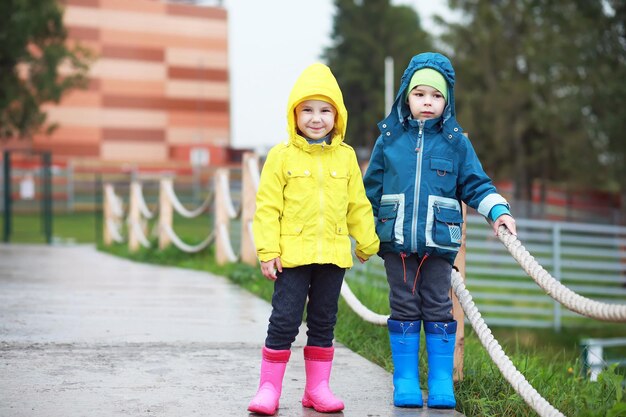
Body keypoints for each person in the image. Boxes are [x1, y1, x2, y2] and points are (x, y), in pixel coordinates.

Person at [363, 52, 517, 409]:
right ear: (406, 96)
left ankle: (440, 381)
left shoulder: (457, 143)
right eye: (420, 94)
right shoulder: (389, 140)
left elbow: (477, 185)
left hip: (439, 245)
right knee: (402, 305)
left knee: (437, 307)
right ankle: (405, 380)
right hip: (396, 241)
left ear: (447, 100)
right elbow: (370, 192)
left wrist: (498, 211)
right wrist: (364, 229)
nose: (427, 102)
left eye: (436, 95)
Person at [247, 62, 380, 415]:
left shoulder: (347, 157)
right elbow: (267, 207)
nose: (316, 118)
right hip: (291, 257)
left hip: (333, 257)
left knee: (324, 321)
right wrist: (267, 250)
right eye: (307, 109)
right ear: (294, 113)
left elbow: (357, 204)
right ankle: (268, 389)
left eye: (325, 110)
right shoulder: (281, 156)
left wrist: (368, 241)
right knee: (285, 320)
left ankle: (317, 388)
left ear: (338, 115)